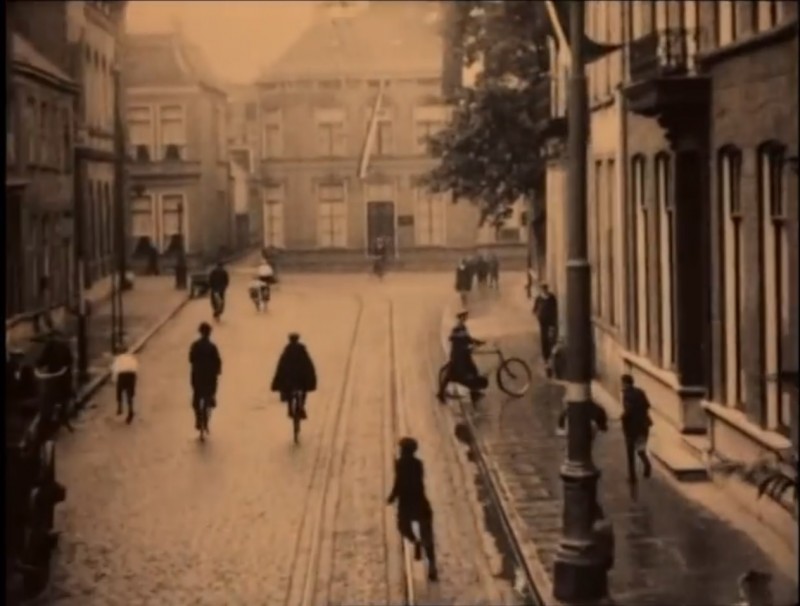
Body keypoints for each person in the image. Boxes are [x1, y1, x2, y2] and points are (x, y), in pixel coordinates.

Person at [386, 437, 438, 582]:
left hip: (406, 504)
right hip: (421, 503)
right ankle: (432, 566)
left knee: (402, 527)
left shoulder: (400, 464)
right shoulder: (418, 464)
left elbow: (399, 483)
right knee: (428, 535)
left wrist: (392, 497)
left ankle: (415, 541)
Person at [437, 310, 486, 404]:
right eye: (464, 316)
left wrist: (477, 342)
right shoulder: (458, 328)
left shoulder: (462, 327)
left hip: (463, 354)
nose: (466, 317)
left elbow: (467, 338)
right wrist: (474, 343)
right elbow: (463, 339)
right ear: (461, 317)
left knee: (469, 372)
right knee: (456, 374)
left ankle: (474, 394)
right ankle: (441, 394)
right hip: (459, 356)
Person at [271, 332, 317, 419]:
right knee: (303, 391)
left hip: (290, 379)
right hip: (300, 378)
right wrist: (310, 377)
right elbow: (308, 364)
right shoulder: (302, 350)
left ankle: (290, 409)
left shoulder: (287, 351)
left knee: (288, 391)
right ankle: (302, 407)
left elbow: (281, 366)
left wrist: (278, 380)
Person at [189, 322, 222, 432]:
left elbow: (191, 359)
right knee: (210, 392)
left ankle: (198, 418)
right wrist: (218, 370)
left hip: (197, 376)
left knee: (196, 398)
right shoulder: (212, 347)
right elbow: (217, 361)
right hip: (209, 377)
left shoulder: (195, 345)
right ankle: (211, 401)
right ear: (209, 333)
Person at [620, 374, 653, 483]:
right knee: (640, 449)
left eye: (622, 383)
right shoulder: (640, 392)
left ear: (625, 383)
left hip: (631, 429)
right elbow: (648, 405)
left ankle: (632, 477)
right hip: (643, 426)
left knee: (630, 453)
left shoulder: (626, 395)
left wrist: (622, 417)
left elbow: (628, 411)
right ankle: (647, 465)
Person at [111, 344, 139, 424]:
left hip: (122, 375)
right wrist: (134, 379)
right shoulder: (131, 358)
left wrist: (114, 380)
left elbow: (115, 370)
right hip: (131, 375)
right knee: (129, 393)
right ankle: (130, 409)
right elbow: (135, 367)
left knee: (119, 391)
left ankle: (119, 407)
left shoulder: (118, 359)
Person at [532, 283, 558, 368]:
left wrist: (554, 320)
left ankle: (551, 356)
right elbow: (534, 309)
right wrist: (537, 316)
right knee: (544, 339)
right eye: (542, 289)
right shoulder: (539, 298)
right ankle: (545, 357)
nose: (544, 290)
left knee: (551, 338)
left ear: (547, 289)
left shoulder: (551, 298)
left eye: (545, 288)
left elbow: (555, 309)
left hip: (551, 322)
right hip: (542, 323)